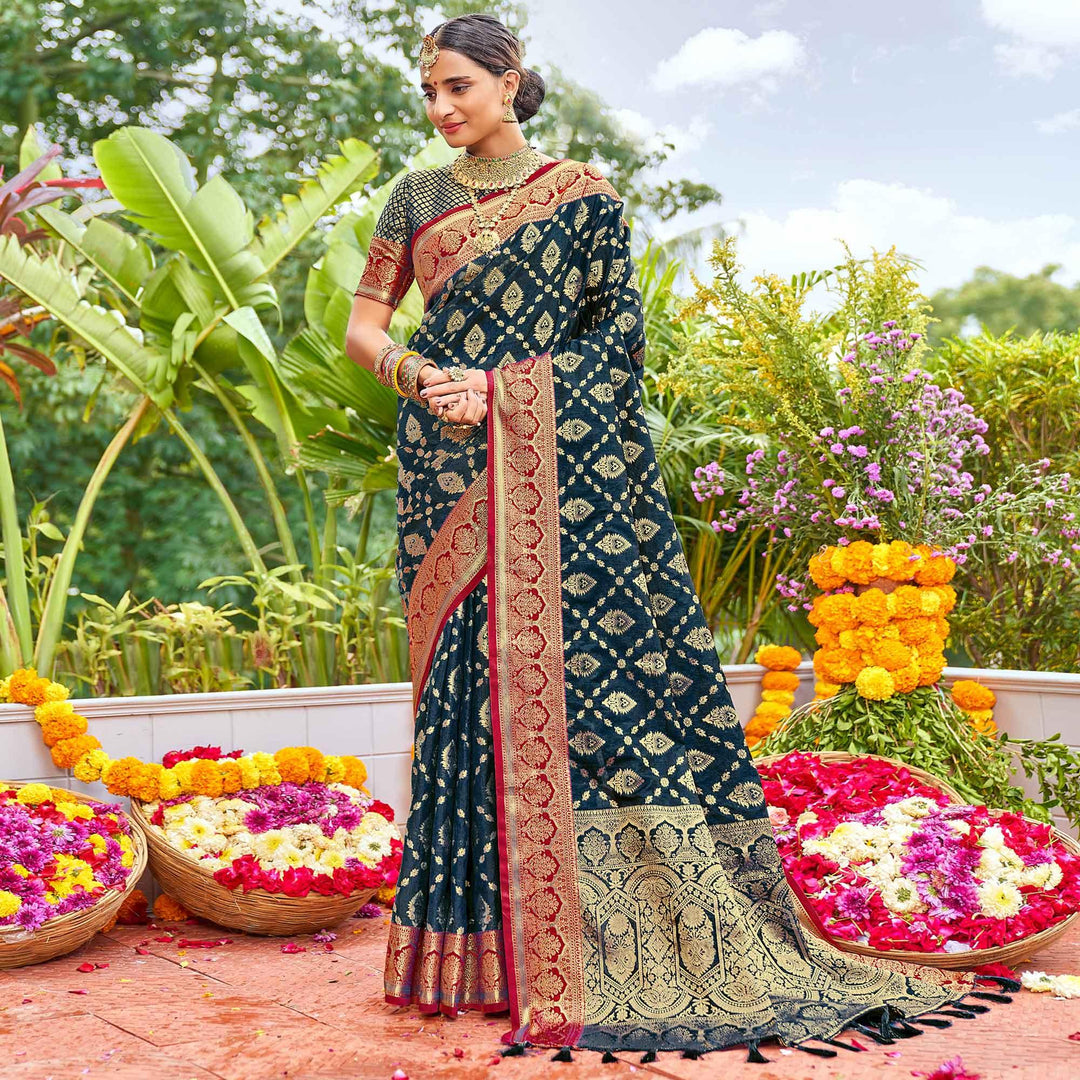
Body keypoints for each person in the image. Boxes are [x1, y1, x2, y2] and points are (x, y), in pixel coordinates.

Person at [343, 13, 1017, 1064]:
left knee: (574, 689)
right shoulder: (415, 198)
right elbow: (365, 327)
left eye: (457, 86)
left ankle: (583, 947)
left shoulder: (584, 196)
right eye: (428, 91)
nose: (440, 108)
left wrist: (501, 388)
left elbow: (617, 343)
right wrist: (423, 379)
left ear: (511, 82)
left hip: (556, 472)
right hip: (445, 463)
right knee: (461, 690)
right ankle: (467, 957)